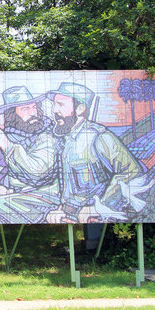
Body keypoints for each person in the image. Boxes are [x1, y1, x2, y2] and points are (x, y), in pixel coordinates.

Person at [46, 82, 144, 223]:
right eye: (54, 105)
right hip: (72, 215)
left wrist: (99, 207)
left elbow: (131, 171)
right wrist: (62, 209)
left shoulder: (99, 137)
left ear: (80, 109)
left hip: (97, 216)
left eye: (60, 105)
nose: (55, 110)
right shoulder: (67, 140)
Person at [0, 86, 60, 224]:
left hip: (46, 199)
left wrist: (5, 144)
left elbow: (38, 172)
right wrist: (6, 189)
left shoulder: (47, 135)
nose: (33, 112)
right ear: (12, 114)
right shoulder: (17, 135)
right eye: (25, 109)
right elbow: (9, 170)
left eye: (34, 107)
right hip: (24, 197)